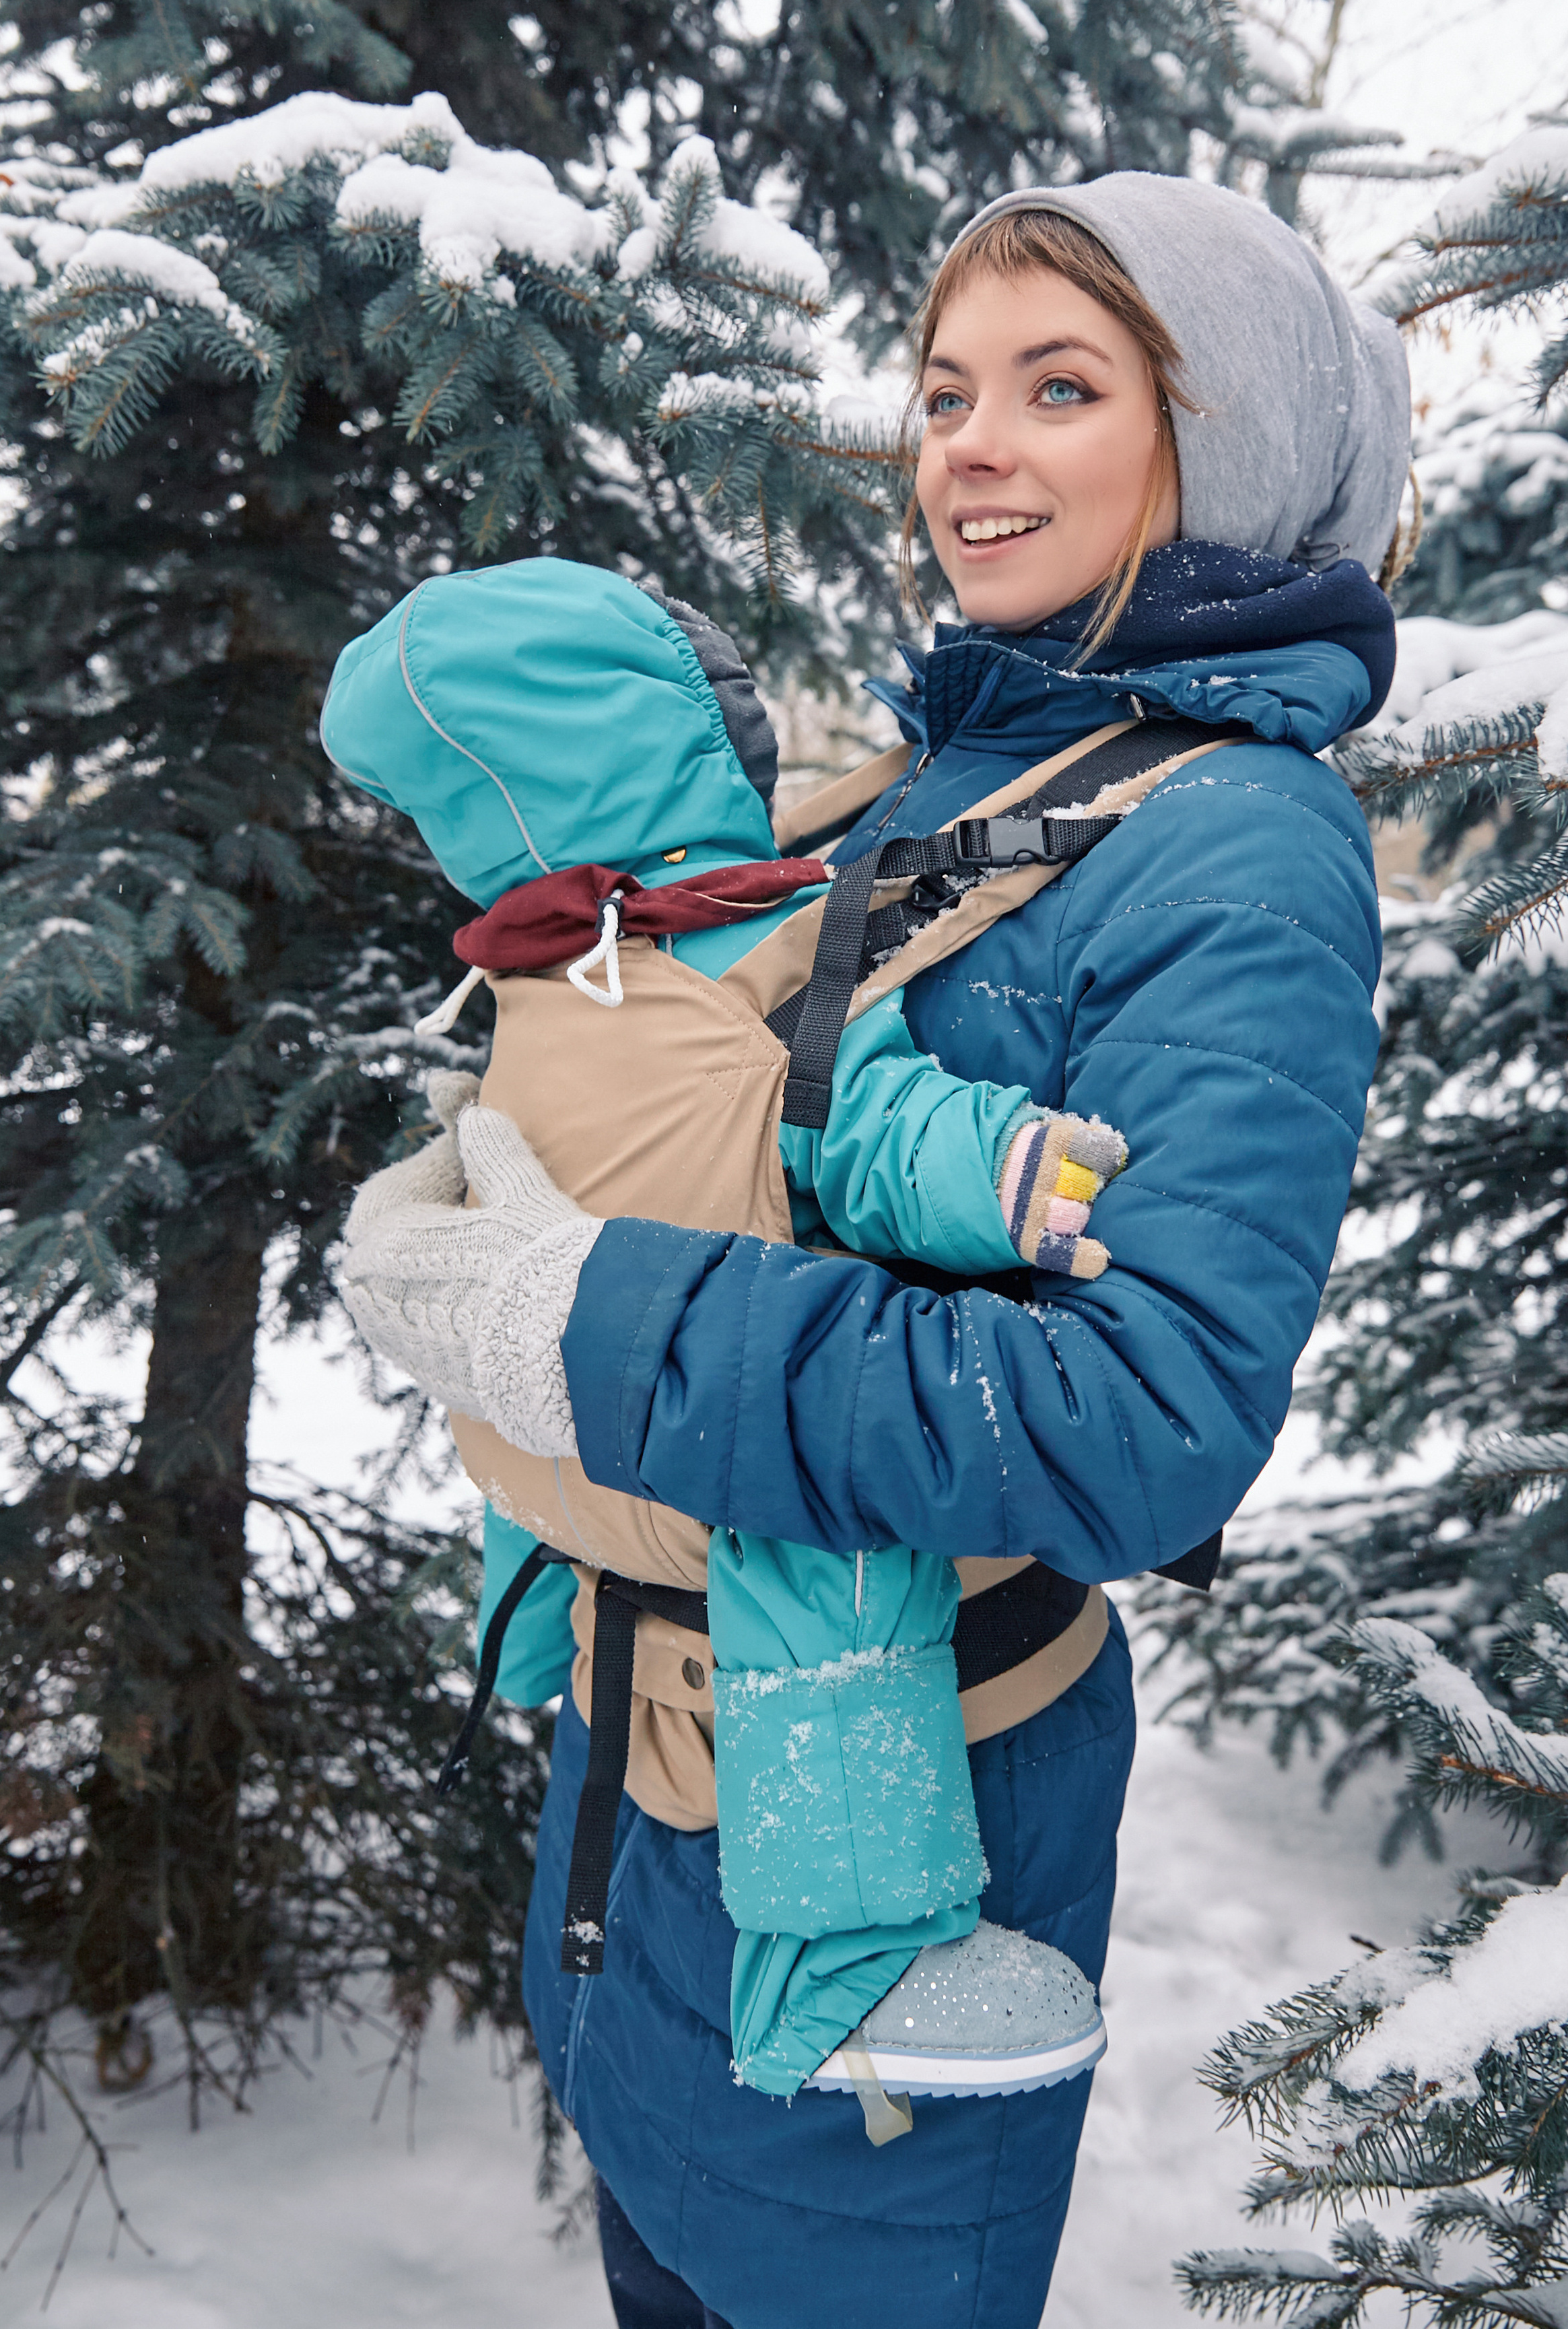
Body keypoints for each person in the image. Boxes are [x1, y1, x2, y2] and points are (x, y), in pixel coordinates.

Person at [338, 172, 1406, 2329]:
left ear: (1238, 443)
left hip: (901, 1806)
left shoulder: (1233, 844)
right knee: (672, 2255)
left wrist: (590, 1317)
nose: (968, 447)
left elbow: (1147, 1417)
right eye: (943, 391)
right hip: (658, 1780)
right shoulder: (954, 767)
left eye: (1062, 386)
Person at [321, 555, 1136, 2106]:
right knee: (836, 1548)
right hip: (712, 1429)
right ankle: (843, 1973)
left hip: (567, 1438)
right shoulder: (762, 941)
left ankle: (524, 1645)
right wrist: (1007, 1168)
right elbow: (858, 1113)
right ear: (685, 740)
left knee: (524, 1462)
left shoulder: (535, 972)